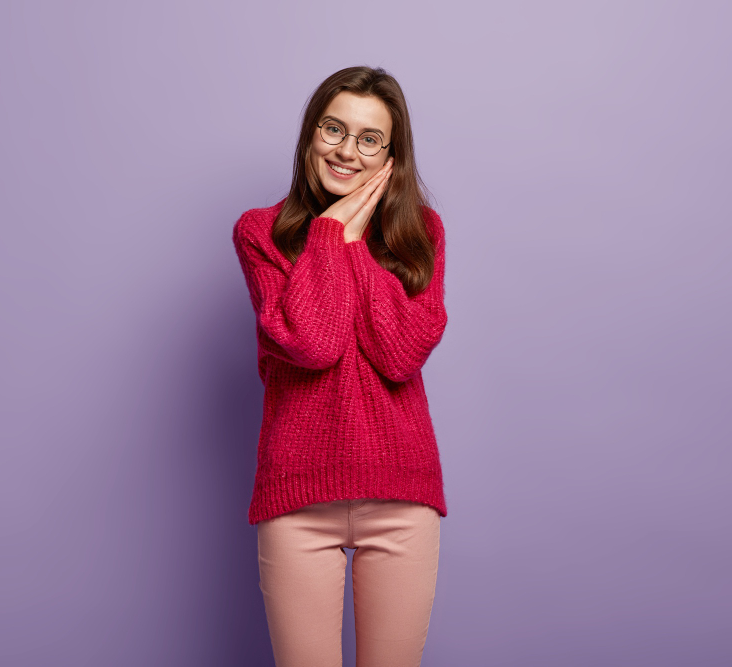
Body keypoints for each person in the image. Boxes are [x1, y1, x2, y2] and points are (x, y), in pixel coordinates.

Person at [231, 65, 449, 667]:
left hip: (401, 496)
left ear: (391, 157)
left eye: (369, 138)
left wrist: (352, 243)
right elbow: (314, 342)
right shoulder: (261, 233)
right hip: (297, 500)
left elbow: (400, 355)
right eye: (333, 129)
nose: (346, 151)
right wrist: (328, 233)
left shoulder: (421, 234)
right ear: (310, 135)